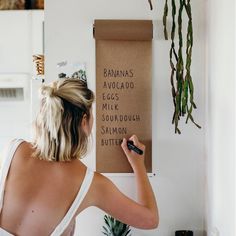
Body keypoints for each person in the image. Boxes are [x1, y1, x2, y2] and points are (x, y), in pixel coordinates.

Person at [0, 78, 159, 235]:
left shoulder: (13, 150)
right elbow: (150, 220)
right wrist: (138, 165)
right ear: (84, 121)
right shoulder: (91, 184)